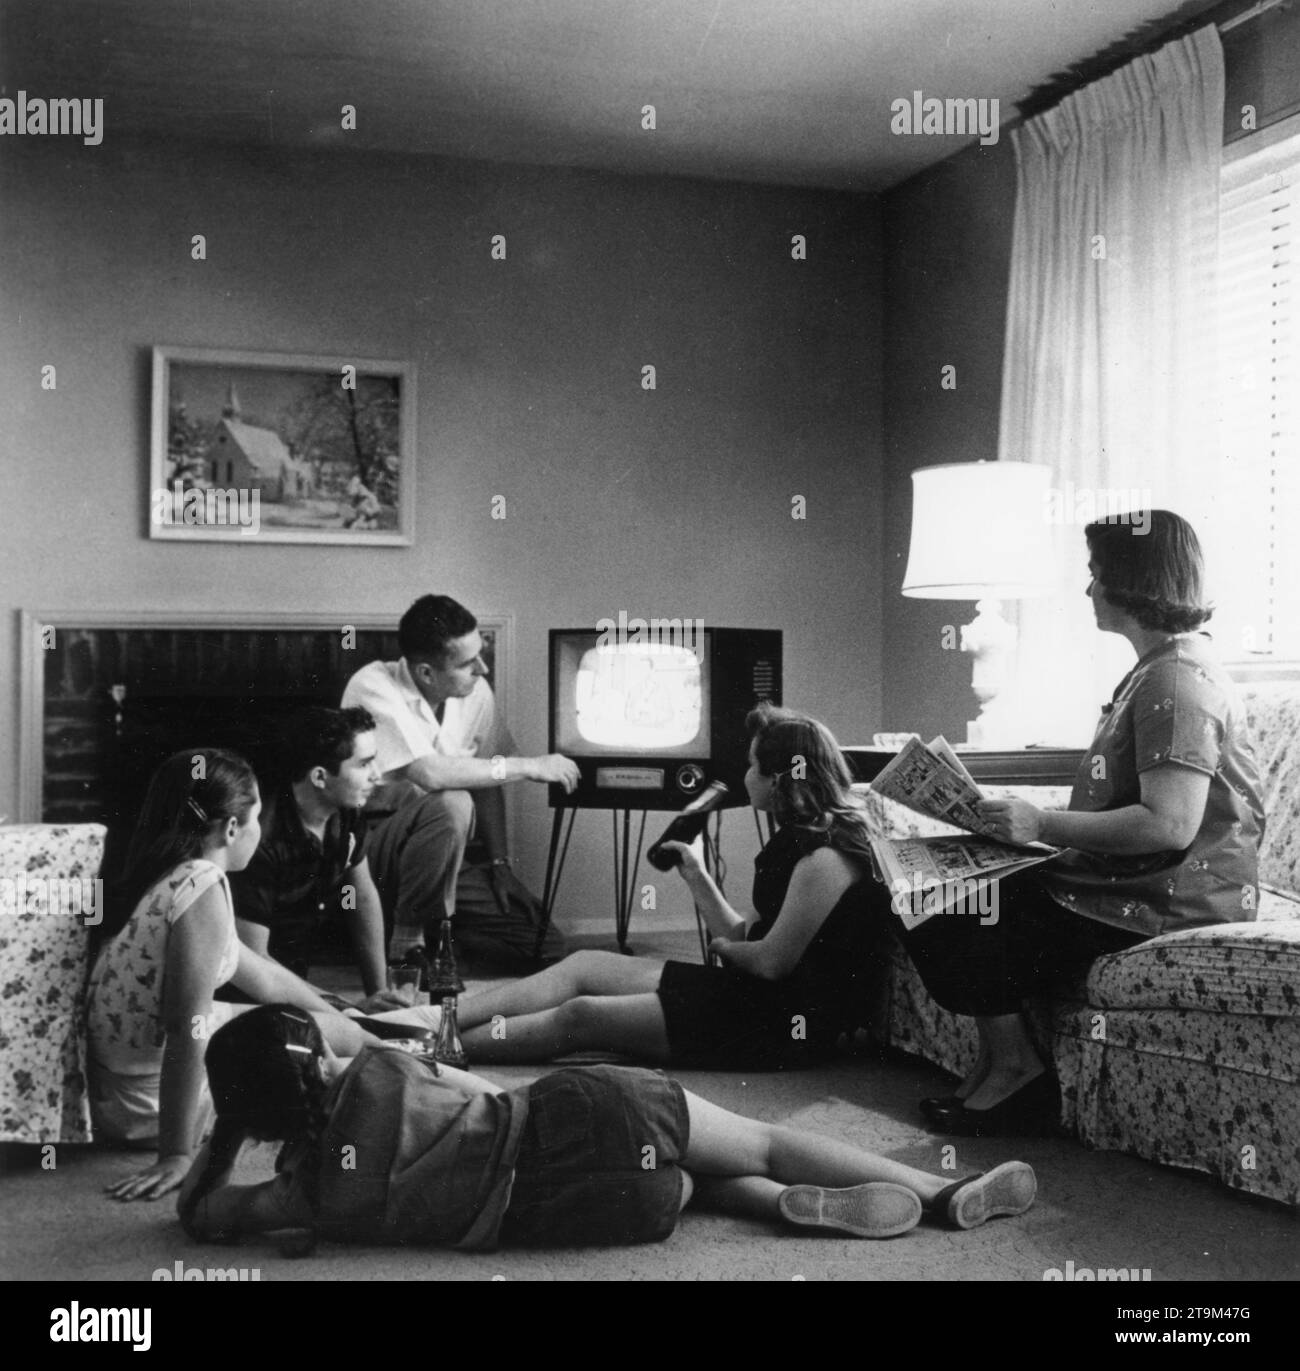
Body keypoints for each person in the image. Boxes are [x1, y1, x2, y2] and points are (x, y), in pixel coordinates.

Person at [884, 511, 1265, 1136]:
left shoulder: (1176, 678)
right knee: (930, 889)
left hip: (1174, 899)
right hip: (1132, 883)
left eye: (1095, 575)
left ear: (1130, 580)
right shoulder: (1157, 667)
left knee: (951, 903)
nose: (1088, 590)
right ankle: (1000, 1061)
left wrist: (1041, 823)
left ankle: (1016, 1071)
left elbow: (1169, 825)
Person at [176, 1004, 1038, 1250]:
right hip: (579, 1118)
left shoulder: (311, 1197)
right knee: (758, 1134)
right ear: (320, 1059)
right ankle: (939, 1189)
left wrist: (222, 1136)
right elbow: (476, 1080)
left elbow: (204, 1216)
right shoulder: (379, 1067)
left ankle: (779, 1207)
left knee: (684, 1184)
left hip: (579, 1216)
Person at [453, 704, 885, 1070]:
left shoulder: (825, 857)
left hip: (782, 1023)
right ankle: (439, 1018)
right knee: (584, 965)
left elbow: (768, 963)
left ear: (779, 780)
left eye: (754, 765)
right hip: (753, 993)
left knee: (582, 1015)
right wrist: (696, 874)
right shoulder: (796, 838)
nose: (746, 775)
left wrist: (723, 953)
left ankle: (441, 1049)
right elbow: (743, 935)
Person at [86, 749, 381, 1203]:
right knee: (322, 1057)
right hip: (147, 1104)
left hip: (118, 1092)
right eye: (257, 816)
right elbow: (189, 1028)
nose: (260, 830)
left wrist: (349, 1016)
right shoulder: (203, 883)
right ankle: (407, 1067)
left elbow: (260, 974)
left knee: (333, 1028)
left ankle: (393, 1047)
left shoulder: (169, 872)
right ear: (229, 829)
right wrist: (176, 1154)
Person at [341, 594, 579, 969]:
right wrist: (529, 766)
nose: (482, 668)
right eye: (468, 663)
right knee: (452, 801)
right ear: (425, 673)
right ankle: (407, 939)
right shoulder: (372, 685)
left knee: (545, 946)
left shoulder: (474, 691)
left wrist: (500, 865)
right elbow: (431, 774)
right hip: (372, 851)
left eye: (480, 653)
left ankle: (439, 934)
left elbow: (486, 780)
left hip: (444, 857)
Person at [225, 707, 388, 999]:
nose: (377, 776)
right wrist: (340, 1006)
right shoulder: (261, 841)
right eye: (364, 765)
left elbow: (359, 898)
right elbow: (254, 961)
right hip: (245, 993)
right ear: (320, 777)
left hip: (297, 984)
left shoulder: (347, 813)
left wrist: (378, 993)